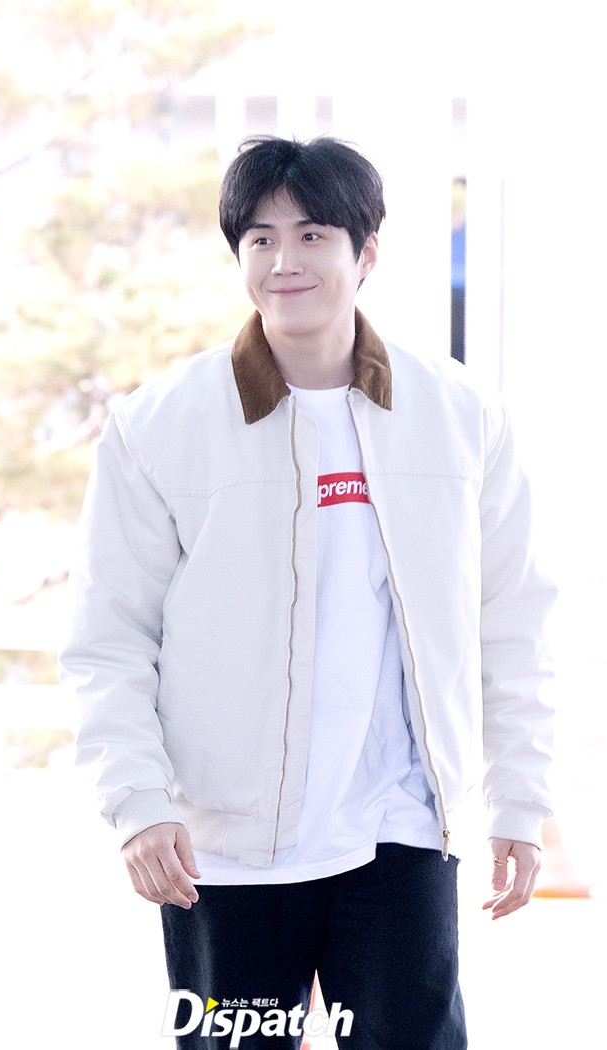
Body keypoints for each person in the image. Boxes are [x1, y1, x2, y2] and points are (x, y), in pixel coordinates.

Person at [59, 136, 556, 1049]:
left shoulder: (458, 414)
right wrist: (138, 803)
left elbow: (513, 619)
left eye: (313, 234)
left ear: (367, 253)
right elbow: (109, 638)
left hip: (401, 832)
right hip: (226, 847)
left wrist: (519, 800)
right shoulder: (160, 424)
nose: (284, 260)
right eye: (260, 238)